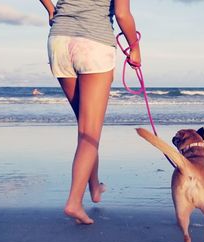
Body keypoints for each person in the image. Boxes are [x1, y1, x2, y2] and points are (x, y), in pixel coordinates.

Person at [39, 0, 141, 224]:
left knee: (85, 126)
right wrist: (134, 47)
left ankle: (94, 186)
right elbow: (122, 14)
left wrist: (50, 8)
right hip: (93, 43)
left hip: (59, 40)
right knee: (90, 132)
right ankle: (74, 202)